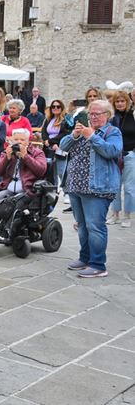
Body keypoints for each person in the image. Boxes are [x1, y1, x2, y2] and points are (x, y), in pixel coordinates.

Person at [60, 100, 122, 278]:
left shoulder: (112, 132)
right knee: (81, 226)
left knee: (95, 226)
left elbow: (112, 151)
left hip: (98, 188)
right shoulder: (82, 131)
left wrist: (92, 136)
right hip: (75, 185)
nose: (92, 117)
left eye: (97, 114)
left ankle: (98, 265)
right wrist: (74, 135)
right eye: (91, 114)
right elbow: (63, 147)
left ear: (107, 116)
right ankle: (85, 258)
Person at [0, 128, 48, 241]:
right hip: (9, 187)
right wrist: (7, 158)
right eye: (16, 139)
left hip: (28, 189)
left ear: (28, 141)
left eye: (22, 139)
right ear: (11, 141)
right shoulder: (7, 152)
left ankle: (6, 231)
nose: (19, 142)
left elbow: (41, 170)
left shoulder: (37, 153)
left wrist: (25, 156)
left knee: (16, 202)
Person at [108, 90, 134, 228]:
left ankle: (127, 215)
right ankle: (115, 214)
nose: (119, 103)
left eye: (122, 101)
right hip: (115, 155)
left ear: (127, 102)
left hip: (130, 154)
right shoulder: (112, 117)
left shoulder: (132, 116)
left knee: (129, 188)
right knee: (115, 186)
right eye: (117, 101)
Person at [41, 99, 72, 194]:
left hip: (60, 148)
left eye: (58, 106)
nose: (55, 108)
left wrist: (51, 141)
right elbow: (44, 132)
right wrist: (46, 140)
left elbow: (65, 134)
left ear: (61, 108)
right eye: (53, 106)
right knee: (51, 171)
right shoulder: (48, 119)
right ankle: (53, 191)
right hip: (49, 149)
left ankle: (68, 193)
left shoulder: (66, 119)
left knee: (62, 171)